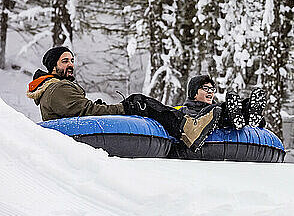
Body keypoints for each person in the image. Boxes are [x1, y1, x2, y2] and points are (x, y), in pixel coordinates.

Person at [26, 46, 221, 151]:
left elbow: (83, 109)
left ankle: (189, 123)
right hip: (80, 134)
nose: (71, 65)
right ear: (53, 66)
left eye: (72, 61)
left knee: (138, 103)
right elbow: (87, 112)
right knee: (139, 102)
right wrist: (123, 108)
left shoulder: (56, 87)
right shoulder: (57, 88)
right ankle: (187, 128)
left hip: (79, 127)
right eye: (65, 61)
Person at [178, 75, 267, 130]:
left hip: (227, 122)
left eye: (212, 89)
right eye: (205, 89)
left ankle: (250, 110)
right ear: (194, 93)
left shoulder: (215, 106)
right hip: (212, 124)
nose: (210, 92)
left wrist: (260, 122)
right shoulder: (187, 109)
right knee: (220, 109)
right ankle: (236, 115)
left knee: (239, 108)